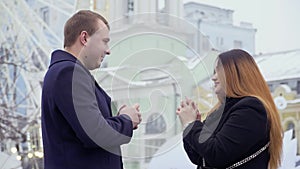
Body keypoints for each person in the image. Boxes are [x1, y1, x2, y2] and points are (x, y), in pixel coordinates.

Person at [41, 10, 142, 169]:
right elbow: (94, 133)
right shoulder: (68, 73)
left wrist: (118, 120)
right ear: (85, 38)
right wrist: (126, 120)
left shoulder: (66, 72)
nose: (108, 50)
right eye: (104, 41)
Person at [176, 49, 282, 169]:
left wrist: (192, 124)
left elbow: (217, 154)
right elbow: (199, 158)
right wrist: (192, 125)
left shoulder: (250, 109)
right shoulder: (220, 111)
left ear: (235, 73)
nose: (213, 78)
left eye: (218, 72)